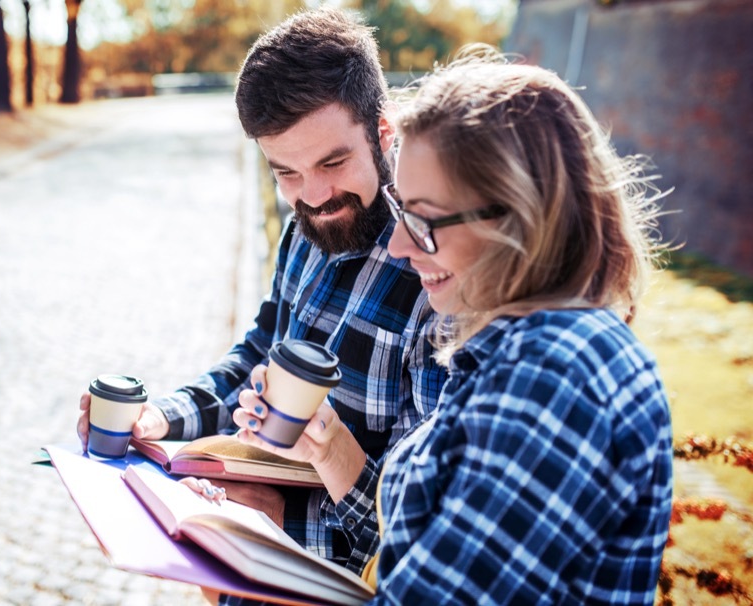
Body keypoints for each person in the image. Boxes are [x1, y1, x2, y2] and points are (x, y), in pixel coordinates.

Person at [233, 45, 674, 603]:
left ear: (518, 214)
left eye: (421, 220)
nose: (396, 243)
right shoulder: (515, 353)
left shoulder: (556, 376)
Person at [77, 6, 447, 579]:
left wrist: (280, 519)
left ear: (383, 130)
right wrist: (160, 419)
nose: (316, 196)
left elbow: (418, 527)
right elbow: (258, 353)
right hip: (247, 563)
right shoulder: (304, 228)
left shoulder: (435, 272)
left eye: (333, 161)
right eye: (287, 173)